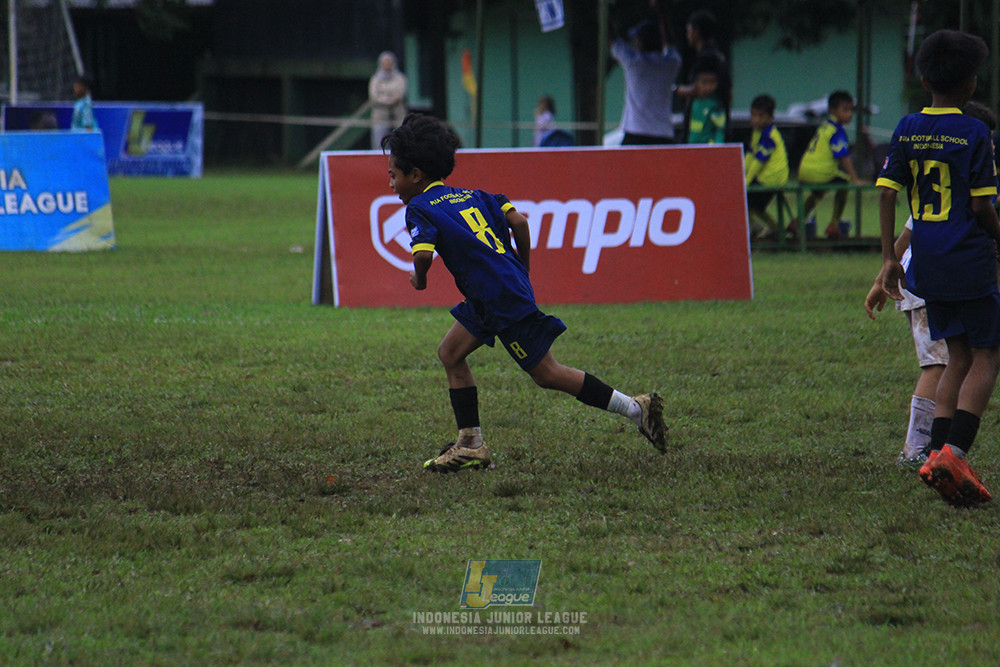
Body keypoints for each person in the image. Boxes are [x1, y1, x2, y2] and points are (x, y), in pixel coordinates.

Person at [380, 113, 667, 472]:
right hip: (491, 295)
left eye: (393, 174)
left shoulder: (419, 207)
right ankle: (470, 443)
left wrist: (418, 280)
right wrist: (523, 269)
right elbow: (519, 222)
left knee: (547, 373)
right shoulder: (475, 195)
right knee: (450, 353)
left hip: (498, 298)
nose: (390, 183)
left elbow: (423, 255)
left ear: (416, 175)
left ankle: (634, 408)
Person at [876, 29, 1000, 506]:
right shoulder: (975, 132)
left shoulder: (907, 127)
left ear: (924, 78)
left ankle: (933, 453)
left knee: (957, 356)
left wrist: (890, 256)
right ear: (971, 84)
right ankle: (957, 453)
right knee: (989, 355)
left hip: (928, 264)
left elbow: (887, 192)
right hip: (969, 260)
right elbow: (982, 207)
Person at [791, 90, 865, 240]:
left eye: (851, 110)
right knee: (845, 182)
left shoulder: (824, 126)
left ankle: (797, 221)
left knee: (818, 193)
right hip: (820, 173)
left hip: (804, 171)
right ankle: (834, 224)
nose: (849, 114)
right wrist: (855, 179)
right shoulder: (837, 130)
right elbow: (844, 156)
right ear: (832, 110)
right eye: (845, 110)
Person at [610, 16, 682, 145]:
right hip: (663, 136)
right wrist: (662, 12)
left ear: (640, 43)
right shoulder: (671, 64)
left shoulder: (634, 62)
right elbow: (670, 43)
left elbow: (612, 39)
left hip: (635, 134)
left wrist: (604, 17)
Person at [676, 9, 731, 143]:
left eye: (688, 31)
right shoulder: (718, 56)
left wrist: (675, 89)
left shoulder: (707, 58)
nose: (687, 35)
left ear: (696, 32)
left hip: (707, 136)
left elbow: (698, 90)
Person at [744, 94, 789, 239]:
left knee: (751, 203)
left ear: (770, 118)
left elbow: (759, 161)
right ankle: (756, 227)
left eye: (761, 116)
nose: (755, 119)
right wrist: (741, 171)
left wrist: (747, 180)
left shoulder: (769, 136)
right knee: (748, 202)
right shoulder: (758, 132)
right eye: (753, 115)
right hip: (765, 177)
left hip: (772, 179)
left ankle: (775, 229)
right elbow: (751, 155)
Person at [368, 51, 407, 151]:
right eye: (385, 62)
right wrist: (388, 100)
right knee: (380, 141)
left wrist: (394, 99)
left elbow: (401, 92)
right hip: (380, 116)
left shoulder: (399, 78)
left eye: (389, 62)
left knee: (400, 140)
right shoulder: (375, 79)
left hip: (398, 115)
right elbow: (374, 96)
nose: (387, 64)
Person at [685, 66, 727, 144]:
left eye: (712, 82)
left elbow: (720, 129)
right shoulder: (694, 103)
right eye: (704, 82)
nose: (708, 87)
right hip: (693, 147)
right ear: (696, 83)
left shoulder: (716, 105)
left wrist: (718, 148)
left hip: (709, 149)